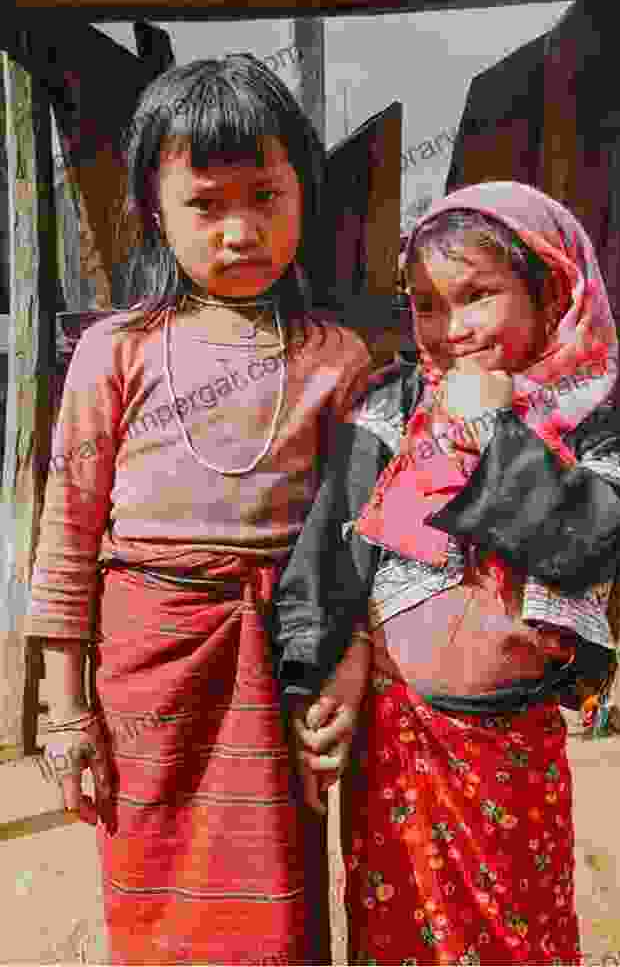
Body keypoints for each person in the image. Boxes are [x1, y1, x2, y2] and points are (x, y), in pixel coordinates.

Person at [27, 55, 372, 966]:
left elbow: (363, 542)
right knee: (155, 899)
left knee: (276, 912)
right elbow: (67, 535)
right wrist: (67, 716)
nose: (239, 230)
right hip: (151, 670)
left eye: (264, 196)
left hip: (281, 665)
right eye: (206, 204)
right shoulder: (114, 352)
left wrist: (349, 670)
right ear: (154, 210)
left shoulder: (337, 358)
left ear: (305, 194)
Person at [274, 181, 620, 965]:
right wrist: (320, 670)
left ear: (551, 290)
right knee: (402, 928)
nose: (450, 330)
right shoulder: (388, 411)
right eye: (426, 305)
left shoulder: (584, 420)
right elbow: (334, 549)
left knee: (517, 930)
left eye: (477, 296)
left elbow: (590, 539)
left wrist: (490, 427)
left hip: (513, 746)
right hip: (398, 740)